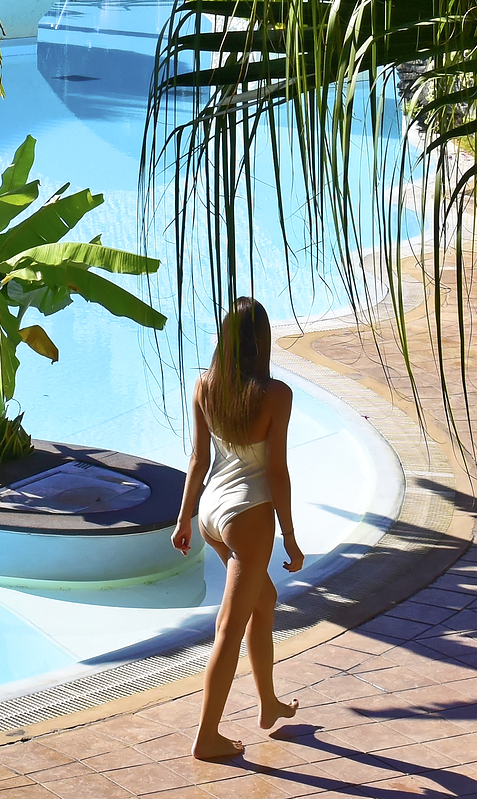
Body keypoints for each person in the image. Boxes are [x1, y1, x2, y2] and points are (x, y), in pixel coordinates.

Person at [172, 295, 302, 762]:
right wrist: (289, 534)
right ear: (261, 342)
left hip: (211, 513)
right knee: (229, 628)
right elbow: (276, 473)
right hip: (247, 516)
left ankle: (267, 704)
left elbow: (197, 460)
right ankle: (207, 736)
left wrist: (186, 517)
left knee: (264, 601)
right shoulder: (275, 395)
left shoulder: (205, 386)